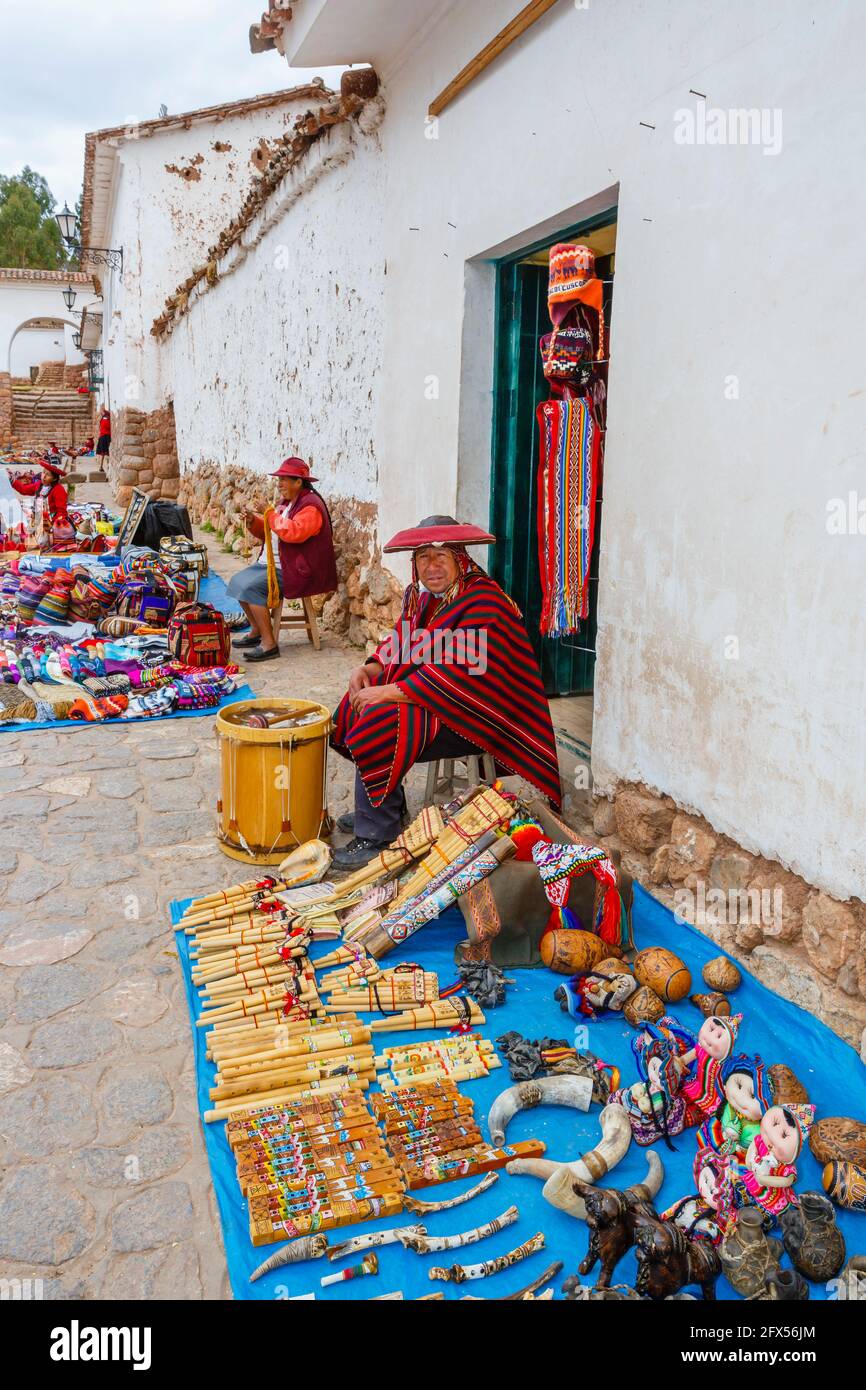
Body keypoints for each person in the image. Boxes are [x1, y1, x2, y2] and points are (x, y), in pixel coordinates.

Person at [331, 514, 562, 868]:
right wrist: (372, 668)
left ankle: (378, 836)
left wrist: (390, 692)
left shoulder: (484, 602)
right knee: (352, 704)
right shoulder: (421, 599)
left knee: (380, 719)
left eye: (442, 557)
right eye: (423, 557)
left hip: (475, 715)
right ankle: (384, 806)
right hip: (436, 701)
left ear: (460, 558)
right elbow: (402, 643)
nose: (432, 566)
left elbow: (460, 678)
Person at [227, 457, 337, 662]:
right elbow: (271, 532)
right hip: (272, 565)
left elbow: (293, 533)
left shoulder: (310, 507)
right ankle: (257, 629)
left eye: (285, 479)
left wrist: (268, 513)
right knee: (237, 582)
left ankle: (269, 644)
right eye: (280, 479)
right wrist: (253, 521)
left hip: (297, 570)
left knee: (251, 590)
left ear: (298, 482)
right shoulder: (285, 503)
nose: (280, 484)